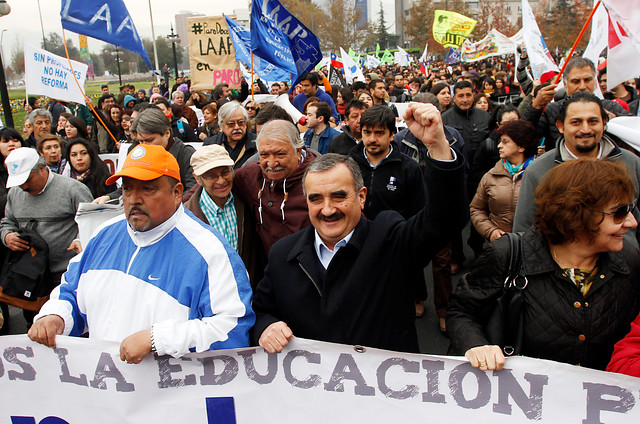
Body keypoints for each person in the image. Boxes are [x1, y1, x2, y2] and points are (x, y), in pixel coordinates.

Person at [251, 102, 467, 353]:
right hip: (313, 387)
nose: (328, 209)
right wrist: (266, 327)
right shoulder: (283, 254)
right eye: (316, 199)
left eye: (339, 196)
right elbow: (261, 310)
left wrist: (438, 145)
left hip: (386, 386)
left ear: (362, 197)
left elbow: (445, 219)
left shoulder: (390, 241)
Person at [28, 144, 255, 362]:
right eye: (127, 189)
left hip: (169, 398)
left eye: (148, 189)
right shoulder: (103, 235)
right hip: (105, 392)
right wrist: (56, 316)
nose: (134, 199)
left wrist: (158, 340)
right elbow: (71, 290)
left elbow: (231, 329)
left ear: (177, 193)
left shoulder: (211, 250)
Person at [448, 159, 640, 371]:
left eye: (630, 209)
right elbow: (461, 311)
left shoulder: (629, 260)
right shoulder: (509, 255)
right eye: (620, 212)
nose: (632, 222)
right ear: (577, 215)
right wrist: (475, 345)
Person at [513, 92, 640, 244]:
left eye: (593, 121)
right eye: (576, 122)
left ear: (604, 122)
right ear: (560, 126)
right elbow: (524, 231)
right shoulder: (539, 170)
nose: (585, 129)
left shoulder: (631, 163)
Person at [1, 148, 93, 322]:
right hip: (30, 275)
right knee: (34, 322)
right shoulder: (15, 193)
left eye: (27, 179)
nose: (23, 186)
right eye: (18, 181)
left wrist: (81, 239)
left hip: (65, 272)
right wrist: (7, 236)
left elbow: (91, 223)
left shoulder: (73, 189)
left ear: (42, 168)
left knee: (67, 321)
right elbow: (8, 221)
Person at [233, 120, 317, 258]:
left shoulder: (320, 179)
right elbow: (215, 183)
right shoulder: (251, 176)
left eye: (280, 154)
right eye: (264, 155)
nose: (271, 163)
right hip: (269, 273)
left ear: (298, 151)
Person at [184, 145, 259, 283]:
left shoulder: (246, 202)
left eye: (225, 172)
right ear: (197, 179)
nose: (221, 181)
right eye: (211, 176)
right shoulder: (188, 217)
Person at [523, 57, 630, 150]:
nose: (582, 86)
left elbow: (633, 133)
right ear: (565, 84)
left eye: (587, 80)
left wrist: (614, 123)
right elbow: (525, 138)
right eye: (576, 81)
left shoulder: (612, 107)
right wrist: (535, 106)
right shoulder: (551, 110)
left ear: (595, 82)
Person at [470, 120, 537, 241]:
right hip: (501, 246)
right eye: (500, 141)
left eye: (505, 142)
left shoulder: (541, 173)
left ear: (522, 146)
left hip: (534, 246)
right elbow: (476, 209)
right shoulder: (491, 176)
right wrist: (491, 231)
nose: (499, 145)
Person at [0, 129, 28, 333]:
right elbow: (6, 217)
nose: (11, 143)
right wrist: (7, 234)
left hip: (29, 249)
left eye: (15, 139)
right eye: (5, 140)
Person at [203, 101, 257, 169]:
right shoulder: (210, 145)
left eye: (240, 122)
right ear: (222, 125)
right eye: (231, 124)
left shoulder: (257, 144)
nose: (237, 127)